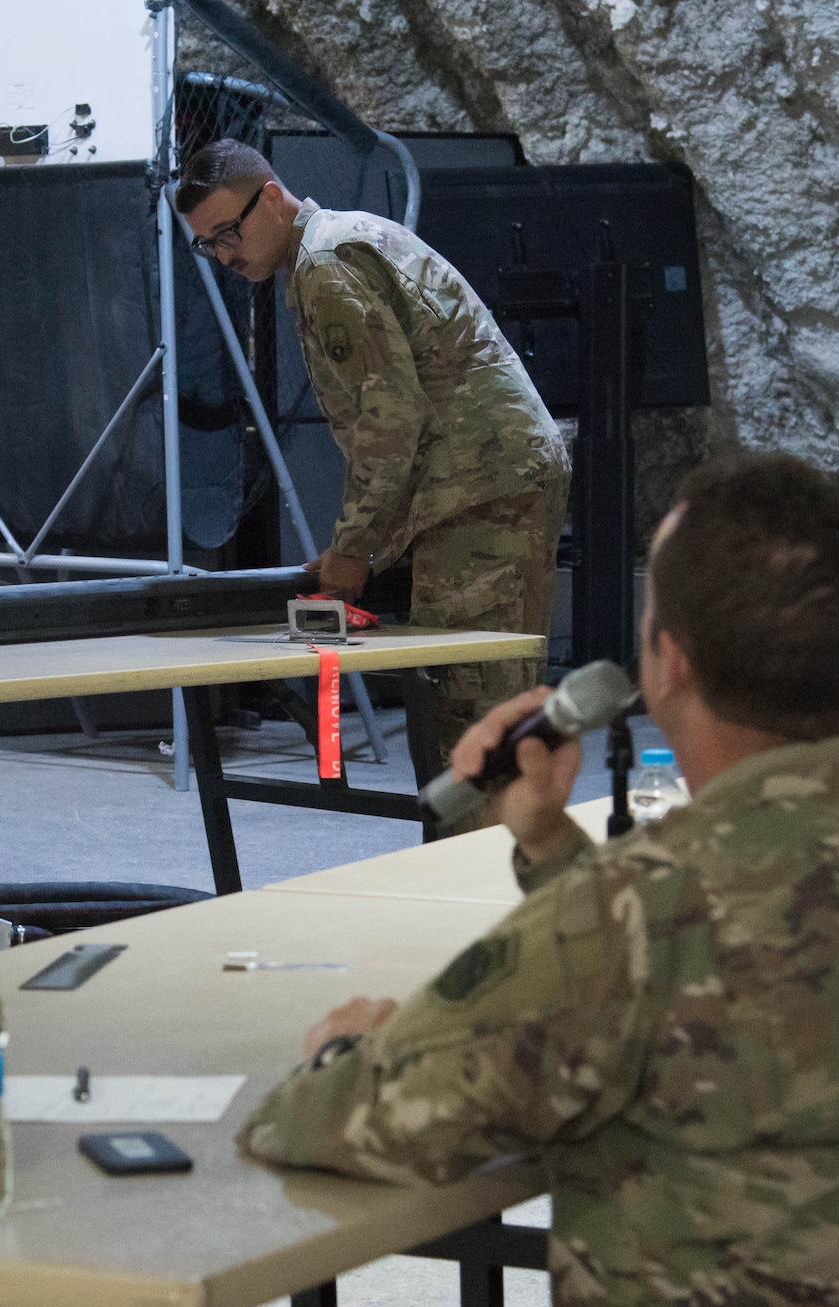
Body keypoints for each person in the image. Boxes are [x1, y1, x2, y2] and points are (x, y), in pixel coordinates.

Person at [242, 453, 839, 1307]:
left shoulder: (630, 916)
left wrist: (348, 1051)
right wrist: (551, 846)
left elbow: (333, 1123)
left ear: (668, 663)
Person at [177, 140, 570, 820]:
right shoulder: (338, 241)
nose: (226, 256)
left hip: (480, 494)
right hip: (481, 483)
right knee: (485, 713)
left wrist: (353, 550)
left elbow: (392, 422)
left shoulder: (326, 265)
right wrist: (354, 549)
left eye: (229, 233)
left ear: (271, 197)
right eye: (208, 246)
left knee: (471, 720)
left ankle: (483, 903)